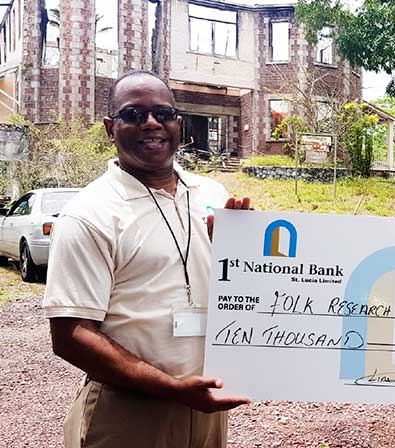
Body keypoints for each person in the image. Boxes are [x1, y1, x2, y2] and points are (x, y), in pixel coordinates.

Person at [43, 70, 251, 448]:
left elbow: (245, 290)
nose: (152, 123)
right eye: (134, 114)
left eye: (163, 113)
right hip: (128, 414)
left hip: (207, 409)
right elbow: (71, 336)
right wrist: (171, 388)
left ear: (179, 124)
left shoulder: (213, 194)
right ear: (110, 128)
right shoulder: (88, 215)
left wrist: (239, 253)